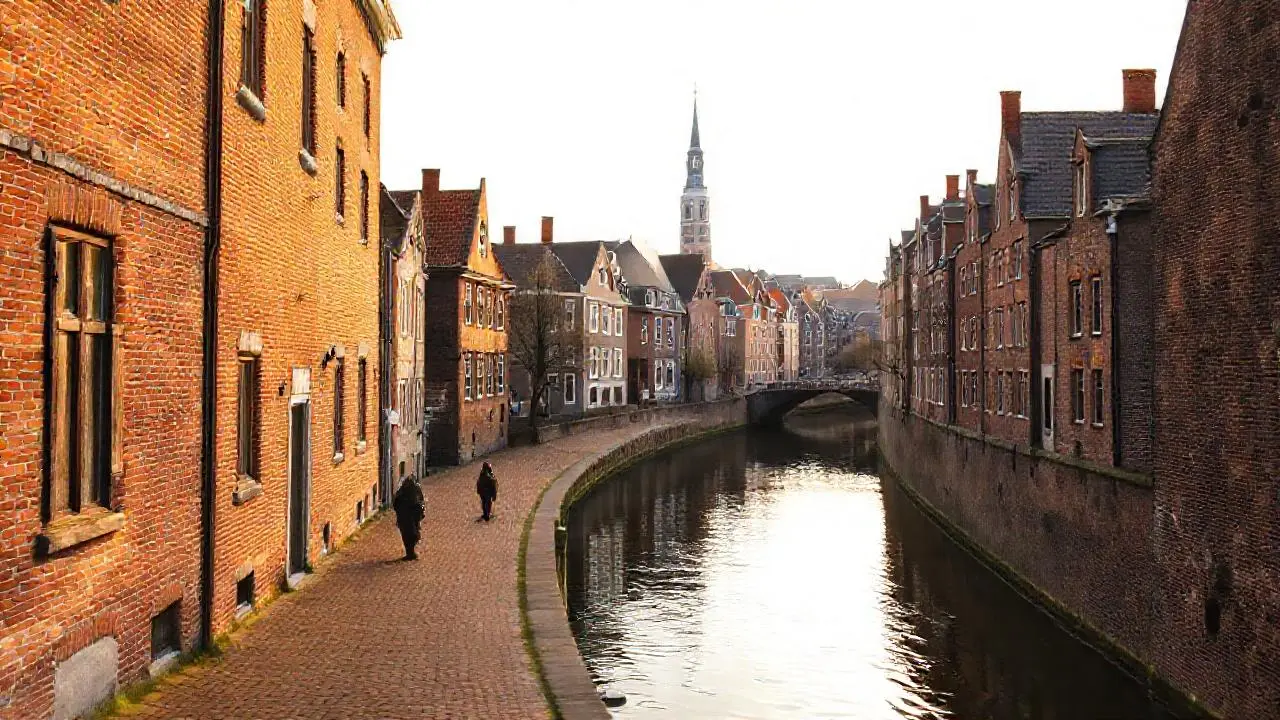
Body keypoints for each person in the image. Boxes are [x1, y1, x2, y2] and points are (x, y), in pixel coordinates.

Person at [392, 474, 425, 559]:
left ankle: (410, 553)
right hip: (409, 517)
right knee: (412, 534)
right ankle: (410, 552)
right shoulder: (415, 490)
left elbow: (396, 503)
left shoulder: (404, 492)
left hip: (407, 517)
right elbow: (421, 502)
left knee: (409, 535)